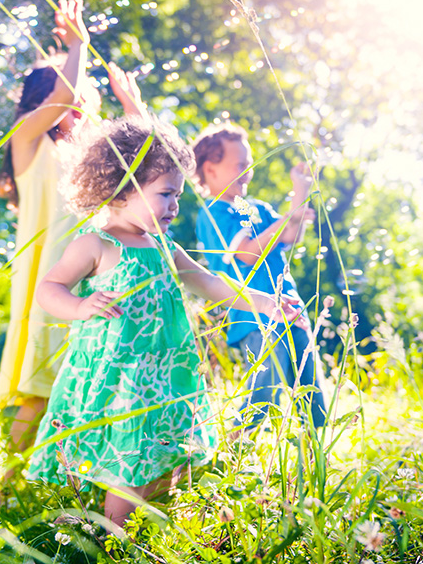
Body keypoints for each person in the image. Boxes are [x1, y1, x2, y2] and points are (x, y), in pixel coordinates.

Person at [26, 116, 305, 527]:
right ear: (121, 191)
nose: (175, 204)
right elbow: (49, 289)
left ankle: (143, 521)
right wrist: (80, 307)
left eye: (176, 194)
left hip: (163, 372)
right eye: (166, 194)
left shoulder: (164, 245)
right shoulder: (97, 244)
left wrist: (263, 302)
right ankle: (112, 537)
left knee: (158, 453)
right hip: (118, 375)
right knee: (126, 456)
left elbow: (207, 282)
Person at [0, 0, 145, 461]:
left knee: (94, 381)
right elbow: (62, 97)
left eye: (86, 108)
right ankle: (7, 486)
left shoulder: (88, 165)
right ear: (43, 103)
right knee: (40, 386)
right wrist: (78, 47)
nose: (78, 114)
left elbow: (143, 172)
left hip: (94, 276)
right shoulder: (27, 142)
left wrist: (132, 107)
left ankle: (71, 481)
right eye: (71, 103)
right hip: (48, 281)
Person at [193, 124, 327, 429]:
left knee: (311, 384)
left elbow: (290, 234)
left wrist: (301, 190)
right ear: (211, 170)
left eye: (249, 163)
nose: (248, 171)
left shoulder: (254, 207)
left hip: (289, 305)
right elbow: (247, 253)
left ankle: (317, 450)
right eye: (240, 164)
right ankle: (239, 443)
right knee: (265, 388)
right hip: (255, 314)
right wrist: (285, 220)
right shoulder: (214, 212)